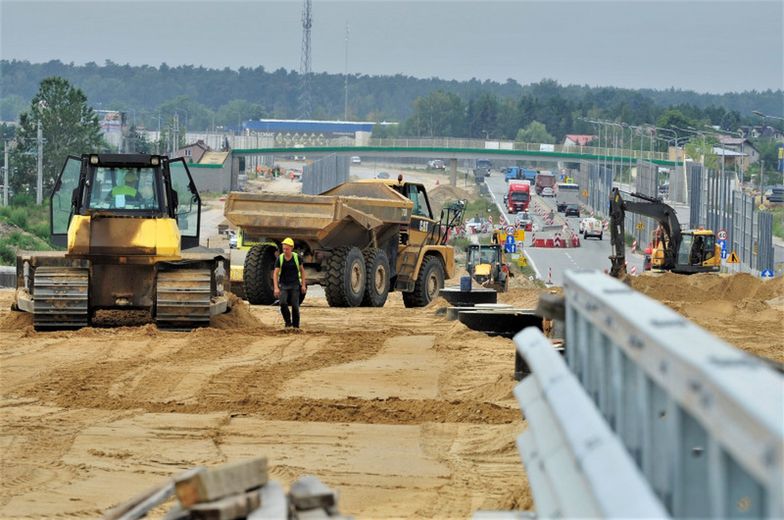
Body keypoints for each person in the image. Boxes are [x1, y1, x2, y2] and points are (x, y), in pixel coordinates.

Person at [273, 237, 307, 329]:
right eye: (283, 249)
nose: (285, 250)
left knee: (295, 306)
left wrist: (303, 285)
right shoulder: (280, 259)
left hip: (295, 285)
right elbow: (275, 274)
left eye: (287, 249)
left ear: (291, 248)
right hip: (283, 285)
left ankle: (296, 326)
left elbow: (302, 271)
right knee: (283, 303)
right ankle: (288, 323)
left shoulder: (297, 258)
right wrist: (276, 288)